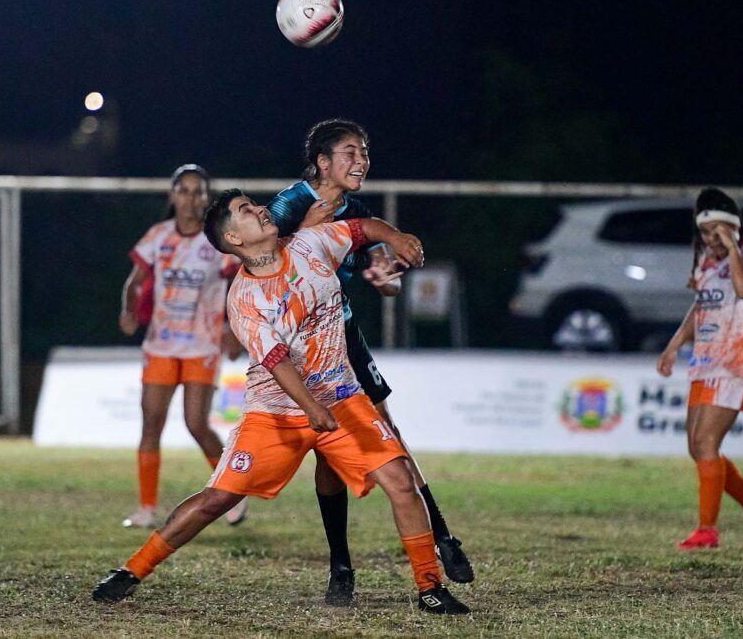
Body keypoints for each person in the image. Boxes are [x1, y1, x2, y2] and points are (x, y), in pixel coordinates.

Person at [92, 190, 471, 615]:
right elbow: (275, 361)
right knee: (217, 498)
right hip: (273, 414)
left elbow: (362, 229)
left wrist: (396, 237)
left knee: (401, 481)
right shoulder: (243, 299)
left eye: (254, 204)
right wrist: (311, 409)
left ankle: (429, 588)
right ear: (234, 238)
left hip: (343, 399)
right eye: (246, 211)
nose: (259, 209)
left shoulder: (310, 244)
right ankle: (132, 571)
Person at [266, 119, 473, 604]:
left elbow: (384, 275)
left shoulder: (356, 211)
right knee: (329, 456)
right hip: (299, 347)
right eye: (350, 151)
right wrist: (302, 234)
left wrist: (384, 277)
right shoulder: (289, 204)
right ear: (322, 162)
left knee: (389, 431)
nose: (362, 160)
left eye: (365, 152)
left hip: (345, 336)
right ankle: (341, 564)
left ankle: (442, 536)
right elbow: (260, 257)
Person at [118, 165, 247, 528]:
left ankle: (232, 495)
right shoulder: (158, 236)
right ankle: (146, 508)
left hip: (202, 346)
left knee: (196, 424)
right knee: (150, 425)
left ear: (207, 199)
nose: (191, 199)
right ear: (172, 196)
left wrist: (234, 330)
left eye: (198, 192)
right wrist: (128, 310)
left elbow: (241, 284)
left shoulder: (217, 241)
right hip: (161, 345)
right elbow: (135, 280)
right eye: (184, 191)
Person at [657, 187, 743, 551]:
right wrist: (674, 345)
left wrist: (733, 246)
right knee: (697, 448)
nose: (712, 239)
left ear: (735, 228)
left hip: (735, 362)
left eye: (719, 230)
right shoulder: (705, 262)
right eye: (707, 232)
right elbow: (700, 307)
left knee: (708, 443)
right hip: (705, 362)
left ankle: (707, 530)